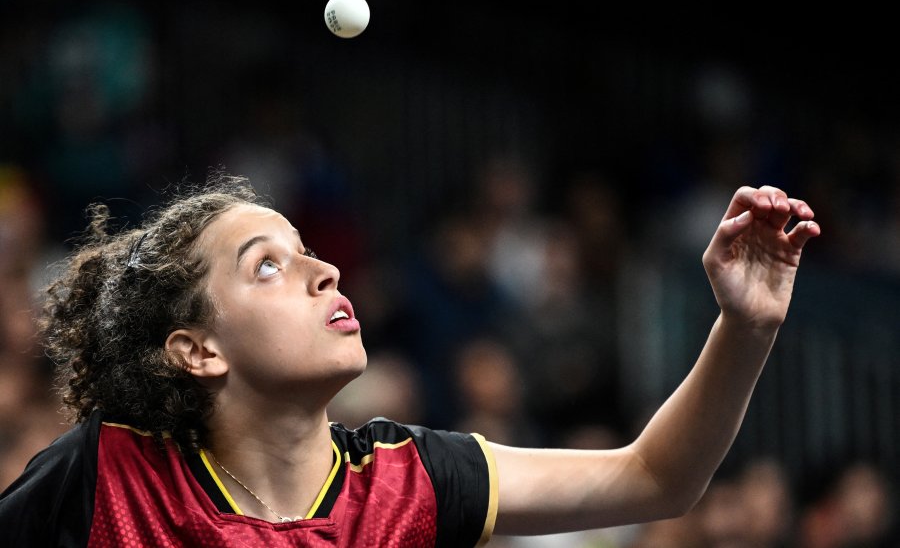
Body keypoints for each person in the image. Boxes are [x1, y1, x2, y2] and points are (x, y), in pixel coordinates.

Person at [0, 171, 820, 547]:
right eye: (267, 265)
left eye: (310, 250)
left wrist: (744, 327)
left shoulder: (411, 479)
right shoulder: (103, 478)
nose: (324, 269)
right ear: (198, 349)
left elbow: (655, 479)